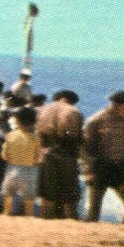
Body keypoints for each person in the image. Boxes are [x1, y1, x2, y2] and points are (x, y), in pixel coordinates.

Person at [83, 90, 124, 224]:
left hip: (121, 170)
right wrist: (88, 170)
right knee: (94, 210)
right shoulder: (95, 121)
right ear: (116, 105)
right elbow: (86, 148)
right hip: (100, 169)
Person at [35, 89, 84, 220]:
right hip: (66, 155)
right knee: (69, 193)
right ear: (72, 101)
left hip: (45, 154)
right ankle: (70, 222)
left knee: (48, 192)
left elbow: (37, 134)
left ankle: (47, 220)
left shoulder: (42, 110)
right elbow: (75, 136)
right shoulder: (73, 111)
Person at [0, 105, 42, 216]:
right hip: (29, 170)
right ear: (33, 121)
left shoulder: (10, 135)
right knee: (29, 197)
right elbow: (38, 157)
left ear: (17, 121)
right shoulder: (35, 138)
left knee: (8, 194)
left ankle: (6, 213)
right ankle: (28, 216)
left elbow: (4, 155)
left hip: (12, 168)